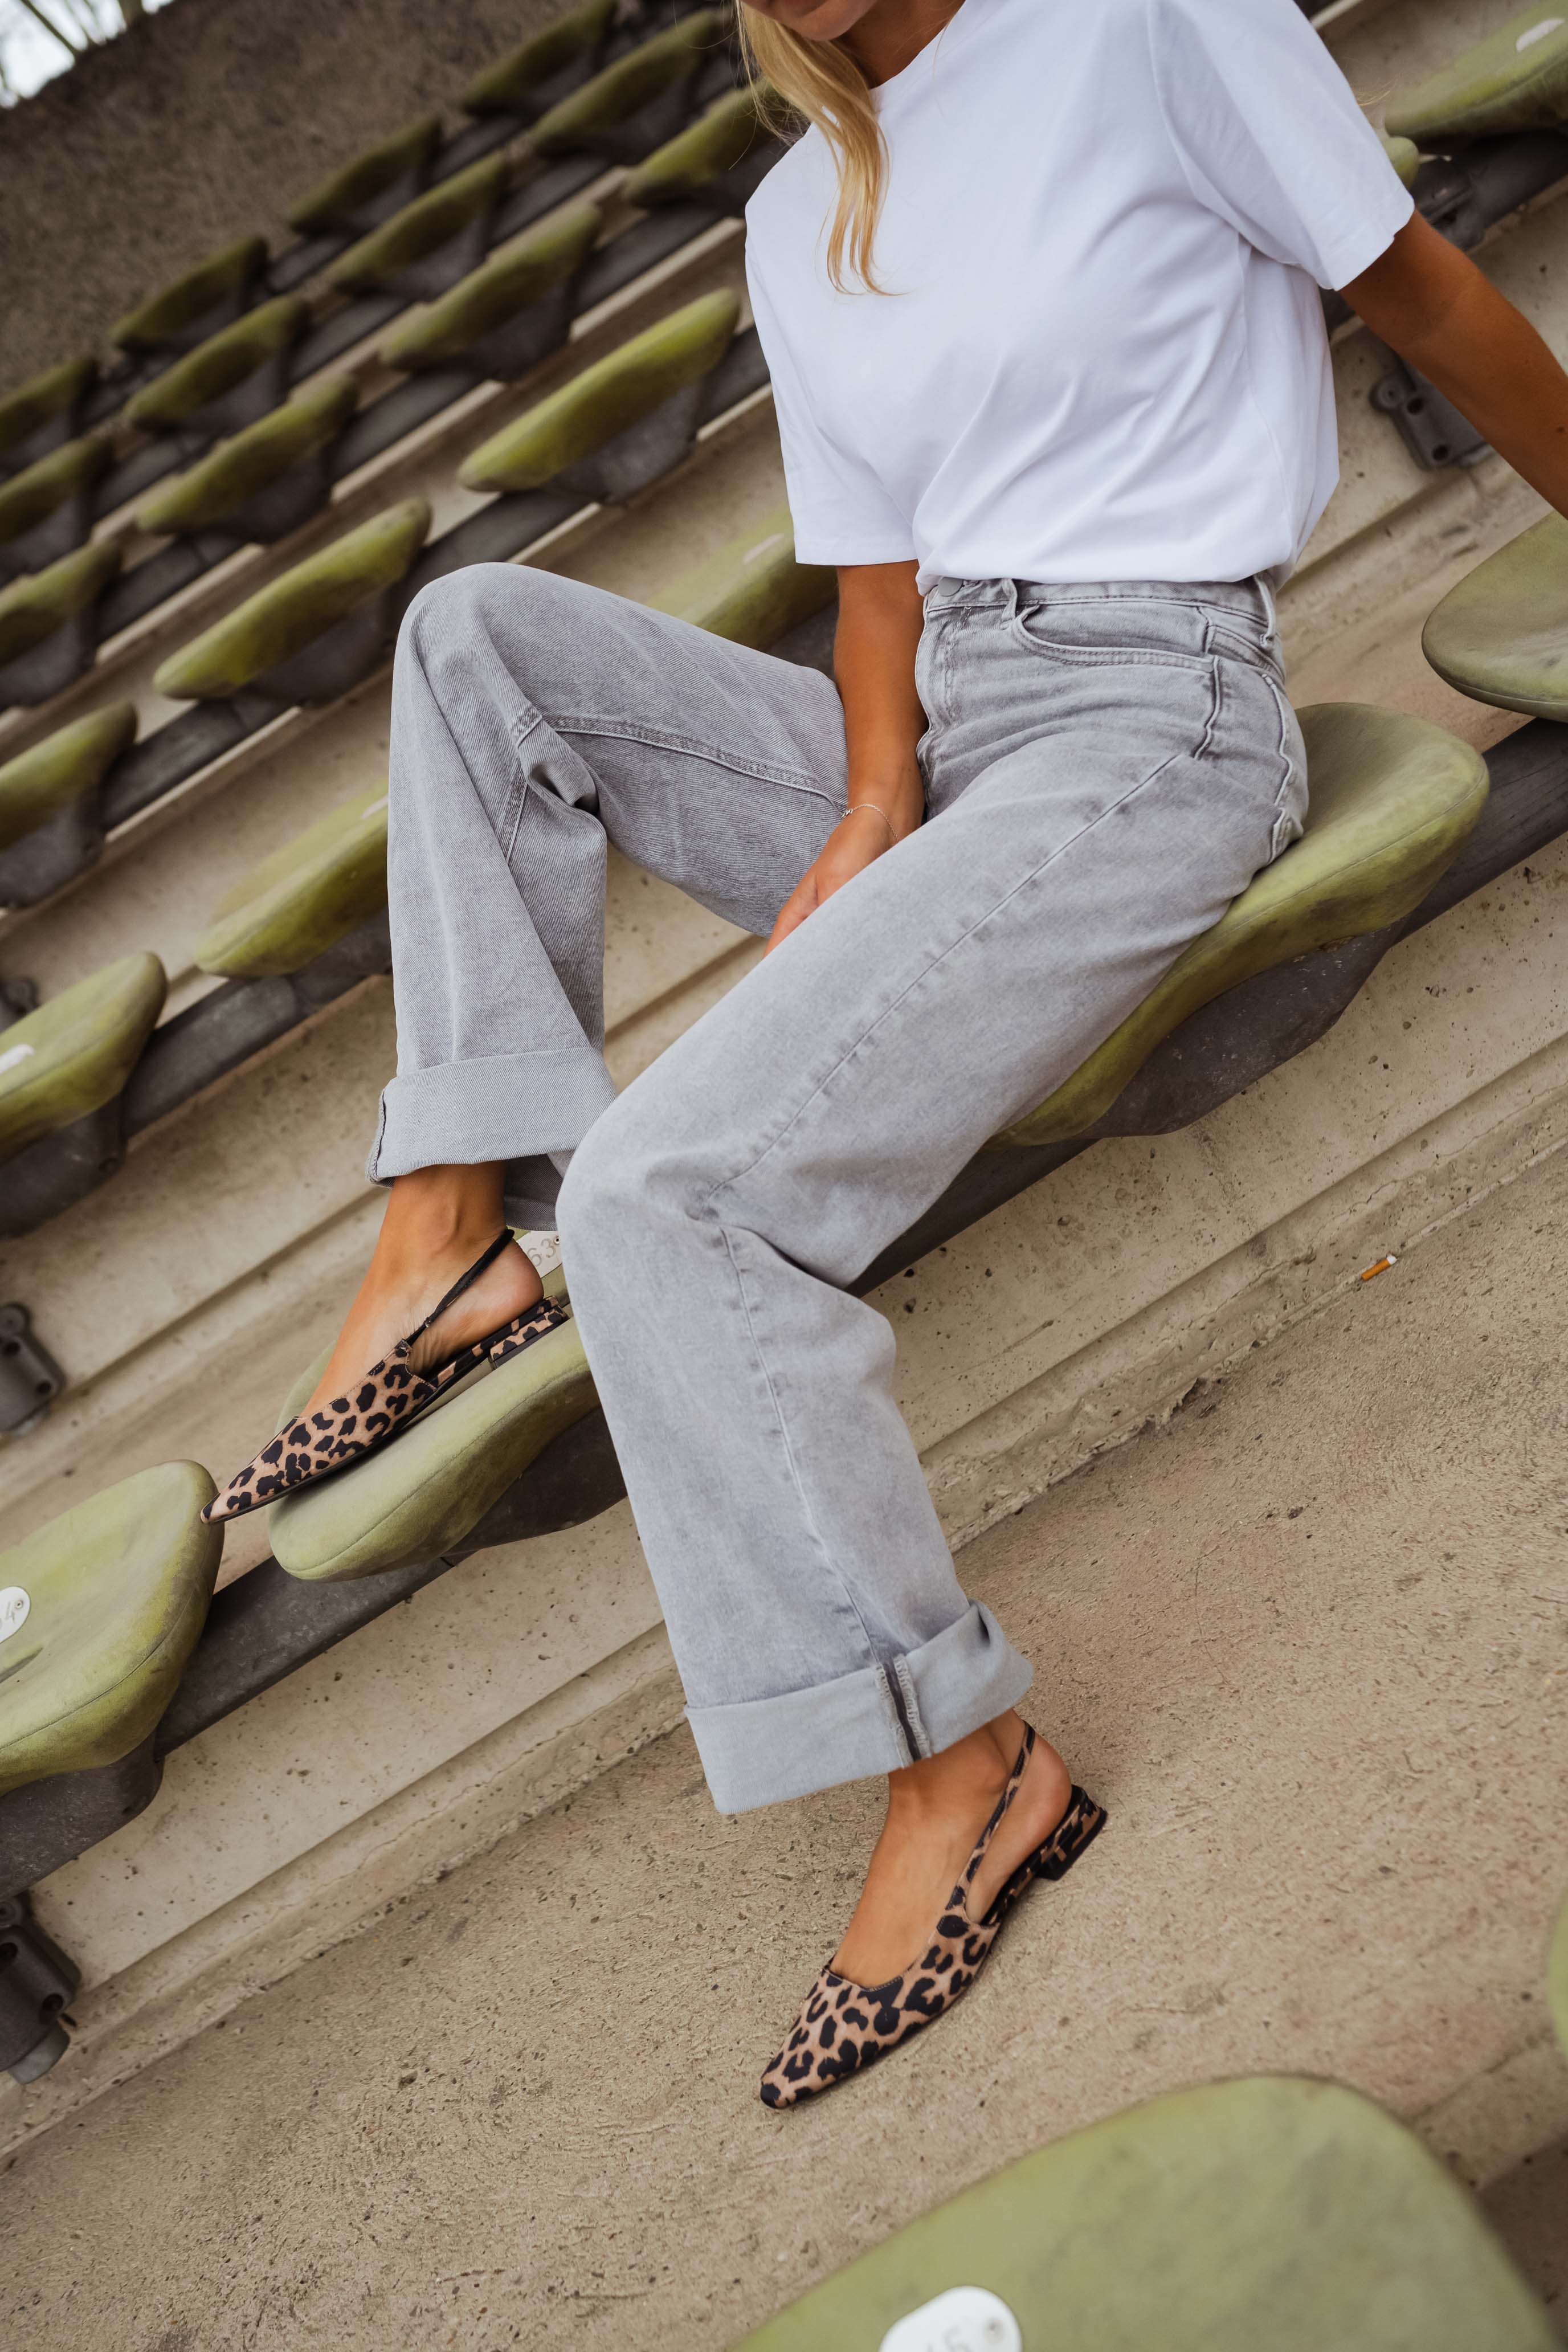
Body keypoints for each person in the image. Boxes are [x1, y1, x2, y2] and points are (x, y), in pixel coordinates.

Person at [208, 0, 1568, 2105]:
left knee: (669, 1199)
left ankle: (962, 1767)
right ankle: (449, 1222)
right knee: (476, 633)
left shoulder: (1141, 24)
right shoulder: (793, 204)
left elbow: (1418, 284)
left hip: (1152, 716)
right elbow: (873, 575)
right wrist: (861, 808)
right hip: (941, 728)